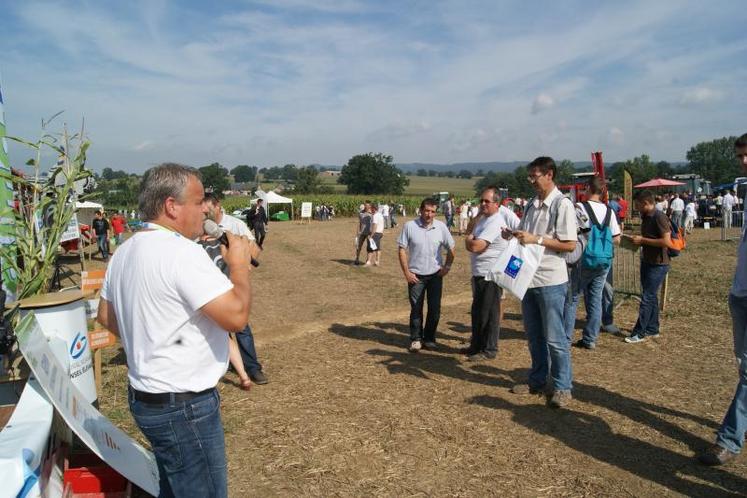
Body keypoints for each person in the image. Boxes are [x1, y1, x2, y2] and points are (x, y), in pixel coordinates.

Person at [97, 163, 259, 497]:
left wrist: (152, 340)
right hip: (185, 407)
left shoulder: (125, 250)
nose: (206, 208)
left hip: (146, 399)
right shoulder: (183, 253)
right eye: (199, 201)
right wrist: (240, 266)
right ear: (172, 206)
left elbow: (105, 316)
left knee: (174, 486)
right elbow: (236, 317)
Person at [509, 157, 578, 408]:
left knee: (555, 338)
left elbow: (569, 244)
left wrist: (536, 239)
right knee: (534, 335)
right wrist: (515, 235)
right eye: (530, 176)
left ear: (549, 174)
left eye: (534, 176)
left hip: (551, 280)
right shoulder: (530, 205)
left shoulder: (563, 205)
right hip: (529, 279)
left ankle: (562, 386)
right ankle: (537, 380)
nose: (531, 181)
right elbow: (526, 236)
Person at [698, 133, 747, 466]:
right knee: (743, 365)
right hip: (740, 293)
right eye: (740, 156)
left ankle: (729, 438)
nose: (743, 161)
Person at [203, 193, 269, 385]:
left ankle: (252, 368)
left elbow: (253, 247)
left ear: (218, 206)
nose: (205, 214)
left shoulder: (234, 224)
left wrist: (244, 265)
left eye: (208, 210)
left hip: (232, 285)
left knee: (241, 327)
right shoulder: (198, 227)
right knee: (218, 329)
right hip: (209, 288)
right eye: (203, 211)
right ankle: (226, 364)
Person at [464, 186, 520, 362]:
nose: (482, 204)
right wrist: (475, 221)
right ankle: (476, 346)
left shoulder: (495, 222)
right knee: (478, 312)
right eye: (481, 201)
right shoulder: (483, 219)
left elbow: (476, 246)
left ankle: (489, 349)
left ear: (497, 204)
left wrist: (469, 239)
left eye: (487, 201)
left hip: (491, 273)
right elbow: (470, 232)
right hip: (480, 272)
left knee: (489, 313)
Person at [565, 177, 621, 350]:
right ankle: (590, 339)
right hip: (604, 261)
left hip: (584, 258)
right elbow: (617, 239)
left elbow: (570, 232)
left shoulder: (579, 208)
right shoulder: (609, 211)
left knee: (572, 298)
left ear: (588, 188)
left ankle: (565, 338)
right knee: (596, 299)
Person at [397, 198, 455, 352]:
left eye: (433, 211)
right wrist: (406, 272)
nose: (429, 214)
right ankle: (416, 339)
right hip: (416, 276)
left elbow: (452, 248)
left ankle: (429, 338)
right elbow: (401, 248)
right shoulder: (410, 226)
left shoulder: (441, 227)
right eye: (427, 211)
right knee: (416, 309)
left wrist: (447, 266)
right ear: (421, 210)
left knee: (434, 309)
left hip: (436, 275)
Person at [626, 190, 677, 344]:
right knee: (651, 296)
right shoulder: (646, 217)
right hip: (648, 261)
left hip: (659, 264)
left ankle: (639, 332)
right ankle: (652, 328)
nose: (636, 208)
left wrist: (642, 240)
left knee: (647, 297)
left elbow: (666, 242)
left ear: (646, 203)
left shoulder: (659, 217)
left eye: (637, 205)